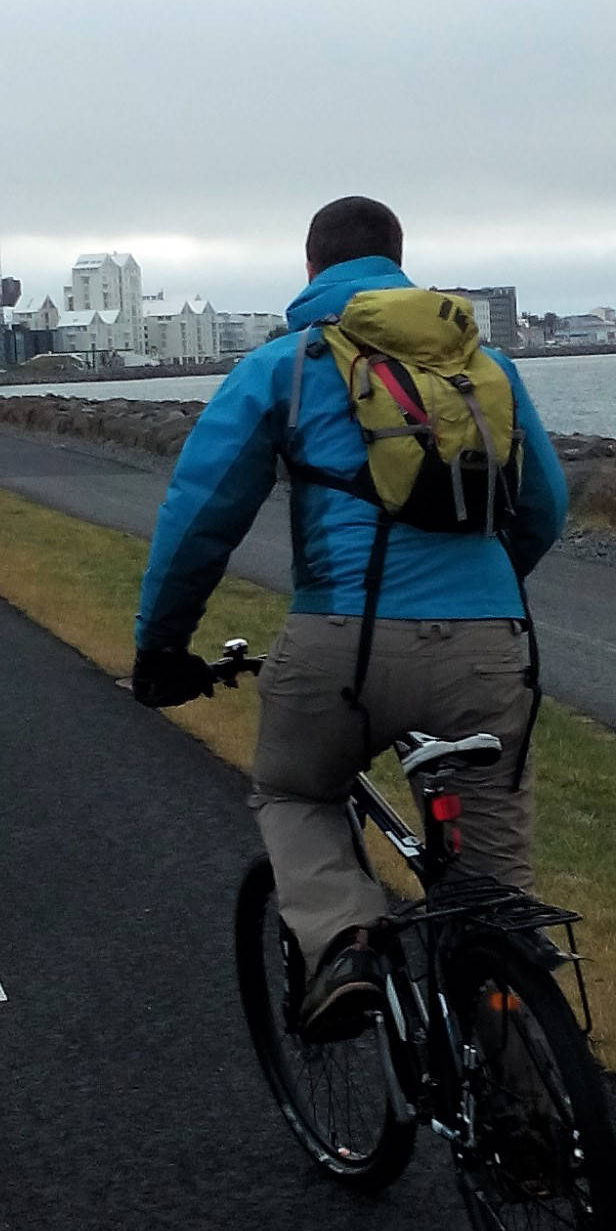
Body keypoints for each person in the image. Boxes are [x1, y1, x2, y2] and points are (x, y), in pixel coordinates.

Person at [130, 196, 568, 1035]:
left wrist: (161, 648)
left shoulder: (285, 367)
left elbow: (199, 519)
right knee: (495, 896)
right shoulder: (487, 367)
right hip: (488, 647)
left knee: (295, 794)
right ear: (400, 261)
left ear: (310, 269)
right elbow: (545, 509)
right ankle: (534, 1126)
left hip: (343, 642)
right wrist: (479, 595)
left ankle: (346, 943)